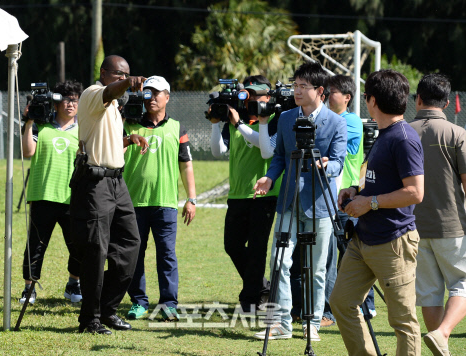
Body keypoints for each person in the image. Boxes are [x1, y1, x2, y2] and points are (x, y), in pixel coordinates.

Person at [330, 69, 424, 356]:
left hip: (393, 242)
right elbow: (381, 181)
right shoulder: (383, 134)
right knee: (341, 303)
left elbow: (415, 192)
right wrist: (354, 192)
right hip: (364, 239)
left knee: (402, 321)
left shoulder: (403, 138)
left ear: (371, 100)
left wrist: (369, 204)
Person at [253, 61, 347, 341]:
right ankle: (280, 324)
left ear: (320, 91)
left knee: (317, 270)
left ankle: (312, 324)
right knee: (279, 262)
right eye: (294, 85)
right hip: (288, 203)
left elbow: (339, 163)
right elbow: (280, 155)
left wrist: (325, 165)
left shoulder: (337, 122)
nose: (296, 90)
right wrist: (270, 177)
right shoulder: (284, 118)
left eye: (303, 86)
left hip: (320, 205)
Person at [69, 55, 147, 335]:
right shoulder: (93, 94)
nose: (123, 78)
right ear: (104, 73)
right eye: (118, 73)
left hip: (117, 183)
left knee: (130, 245)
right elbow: (110, 90)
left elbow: (103, 141)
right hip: (94, 184)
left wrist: (128, 140)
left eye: (126, 74)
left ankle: (107, 309)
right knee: (96, 251)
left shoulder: (114, 107)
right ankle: (89, 320)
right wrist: (126, 83)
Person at [123, 76, 196, 321]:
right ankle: (138, 302)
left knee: (166, 255)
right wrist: (124, 128)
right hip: (133, 203)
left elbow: (185, 166)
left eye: (157, 93)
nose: (152, 98)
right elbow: (114, 151)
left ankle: (168, 303)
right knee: (136, 254)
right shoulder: (130, 125)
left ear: (167, 97)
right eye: (147, 93)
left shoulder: (177, 128)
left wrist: (191, 198)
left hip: (165, 204)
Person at [209, 75, 280, 313]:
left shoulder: (272, 119)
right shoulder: (234, 120)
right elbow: (218, 152)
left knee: (258, 249)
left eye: (256, 95)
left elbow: (265, 149)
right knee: (233, 245)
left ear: (268, 97)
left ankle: (250, 300)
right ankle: (263, 288)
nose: (250, 99)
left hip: (264, 195)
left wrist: (239, 124)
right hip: (238, 194)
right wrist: (215, 124)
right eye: (247, 94)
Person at [409, 73, 466, 356]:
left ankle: (440, 350)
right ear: (446, 102)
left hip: (414, 226)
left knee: (430, 292)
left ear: (417, 99)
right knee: (463, 283)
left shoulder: (403, 132)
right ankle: (442, 334)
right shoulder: (457, 134)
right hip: (452, 225)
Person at [19, 80, 83, 305]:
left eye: (74, 100)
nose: (70, 104)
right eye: (65, 99)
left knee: (77, 245)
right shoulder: (41, 126)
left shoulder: (83, 129)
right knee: (35, 246)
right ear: (55, 103)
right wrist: (29, 121)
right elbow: (28, 151)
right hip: (42, 195)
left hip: (71, 197)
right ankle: (29, 288)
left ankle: (73, 283)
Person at [321, 75, 371, 327]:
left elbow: (325, 133)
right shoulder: (334, 117)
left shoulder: (349, 121)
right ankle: (366, 307)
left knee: (345, 254)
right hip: (334, 196)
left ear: (347, 97)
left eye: (331, 92)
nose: (327, 96)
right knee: (348, 253)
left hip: (345, 196)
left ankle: (330, 312)